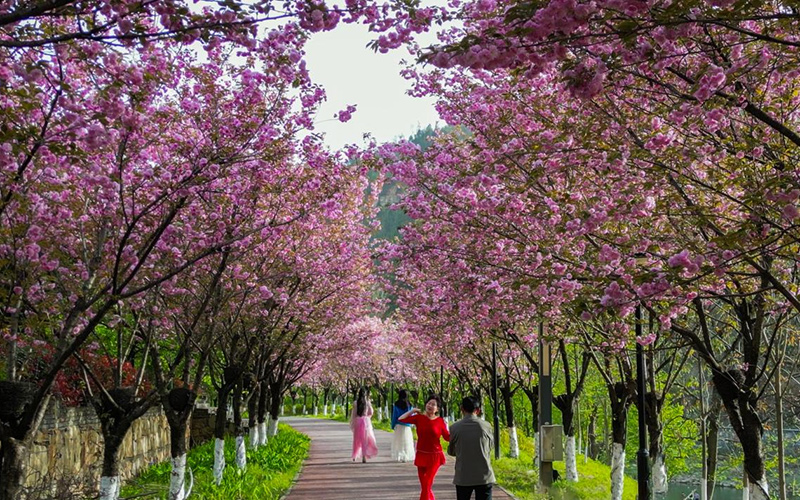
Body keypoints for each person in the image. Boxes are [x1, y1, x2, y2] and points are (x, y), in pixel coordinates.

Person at [398, 394, 450, 500]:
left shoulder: (440, 421)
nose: (430, 406)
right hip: (421, 455)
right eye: (429, 403)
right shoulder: (419, 418)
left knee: (427, 484)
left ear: (437, 409)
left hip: (435, 456)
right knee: (425, 487)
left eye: (433, 404)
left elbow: (447, 437)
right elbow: (401, 419)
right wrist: (413, 411)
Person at [447, 396, 496, 500]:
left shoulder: (455, 427)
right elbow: (490, 446)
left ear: (462, 409)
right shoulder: (486, 426)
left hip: (463, 476)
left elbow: (451, 451)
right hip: (484, 475)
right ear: (478, 410)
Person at [350, 387, 379, 463]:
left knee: (357, 440)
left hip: (358, 421)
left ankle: (355, 456)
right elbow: (371, 412)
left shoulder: (355, 403)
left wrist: (353, 423)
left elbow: (354, 414)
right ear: (365, 394)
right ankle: (364, 456)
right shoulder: (367, 402)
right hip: (366, 422)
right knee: (365, 440)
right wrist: (367, 417)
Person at [391, 389, 416, 462]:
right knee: (407, 442)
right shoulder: (409, 405)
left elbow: (394, 416)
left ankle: (399, 456)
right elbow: (412, 415)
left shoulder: (396, 404)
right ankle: (406, 456)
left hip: (399, 425)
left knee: (399, 442)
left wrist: (393, 425)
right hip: (407, 426)